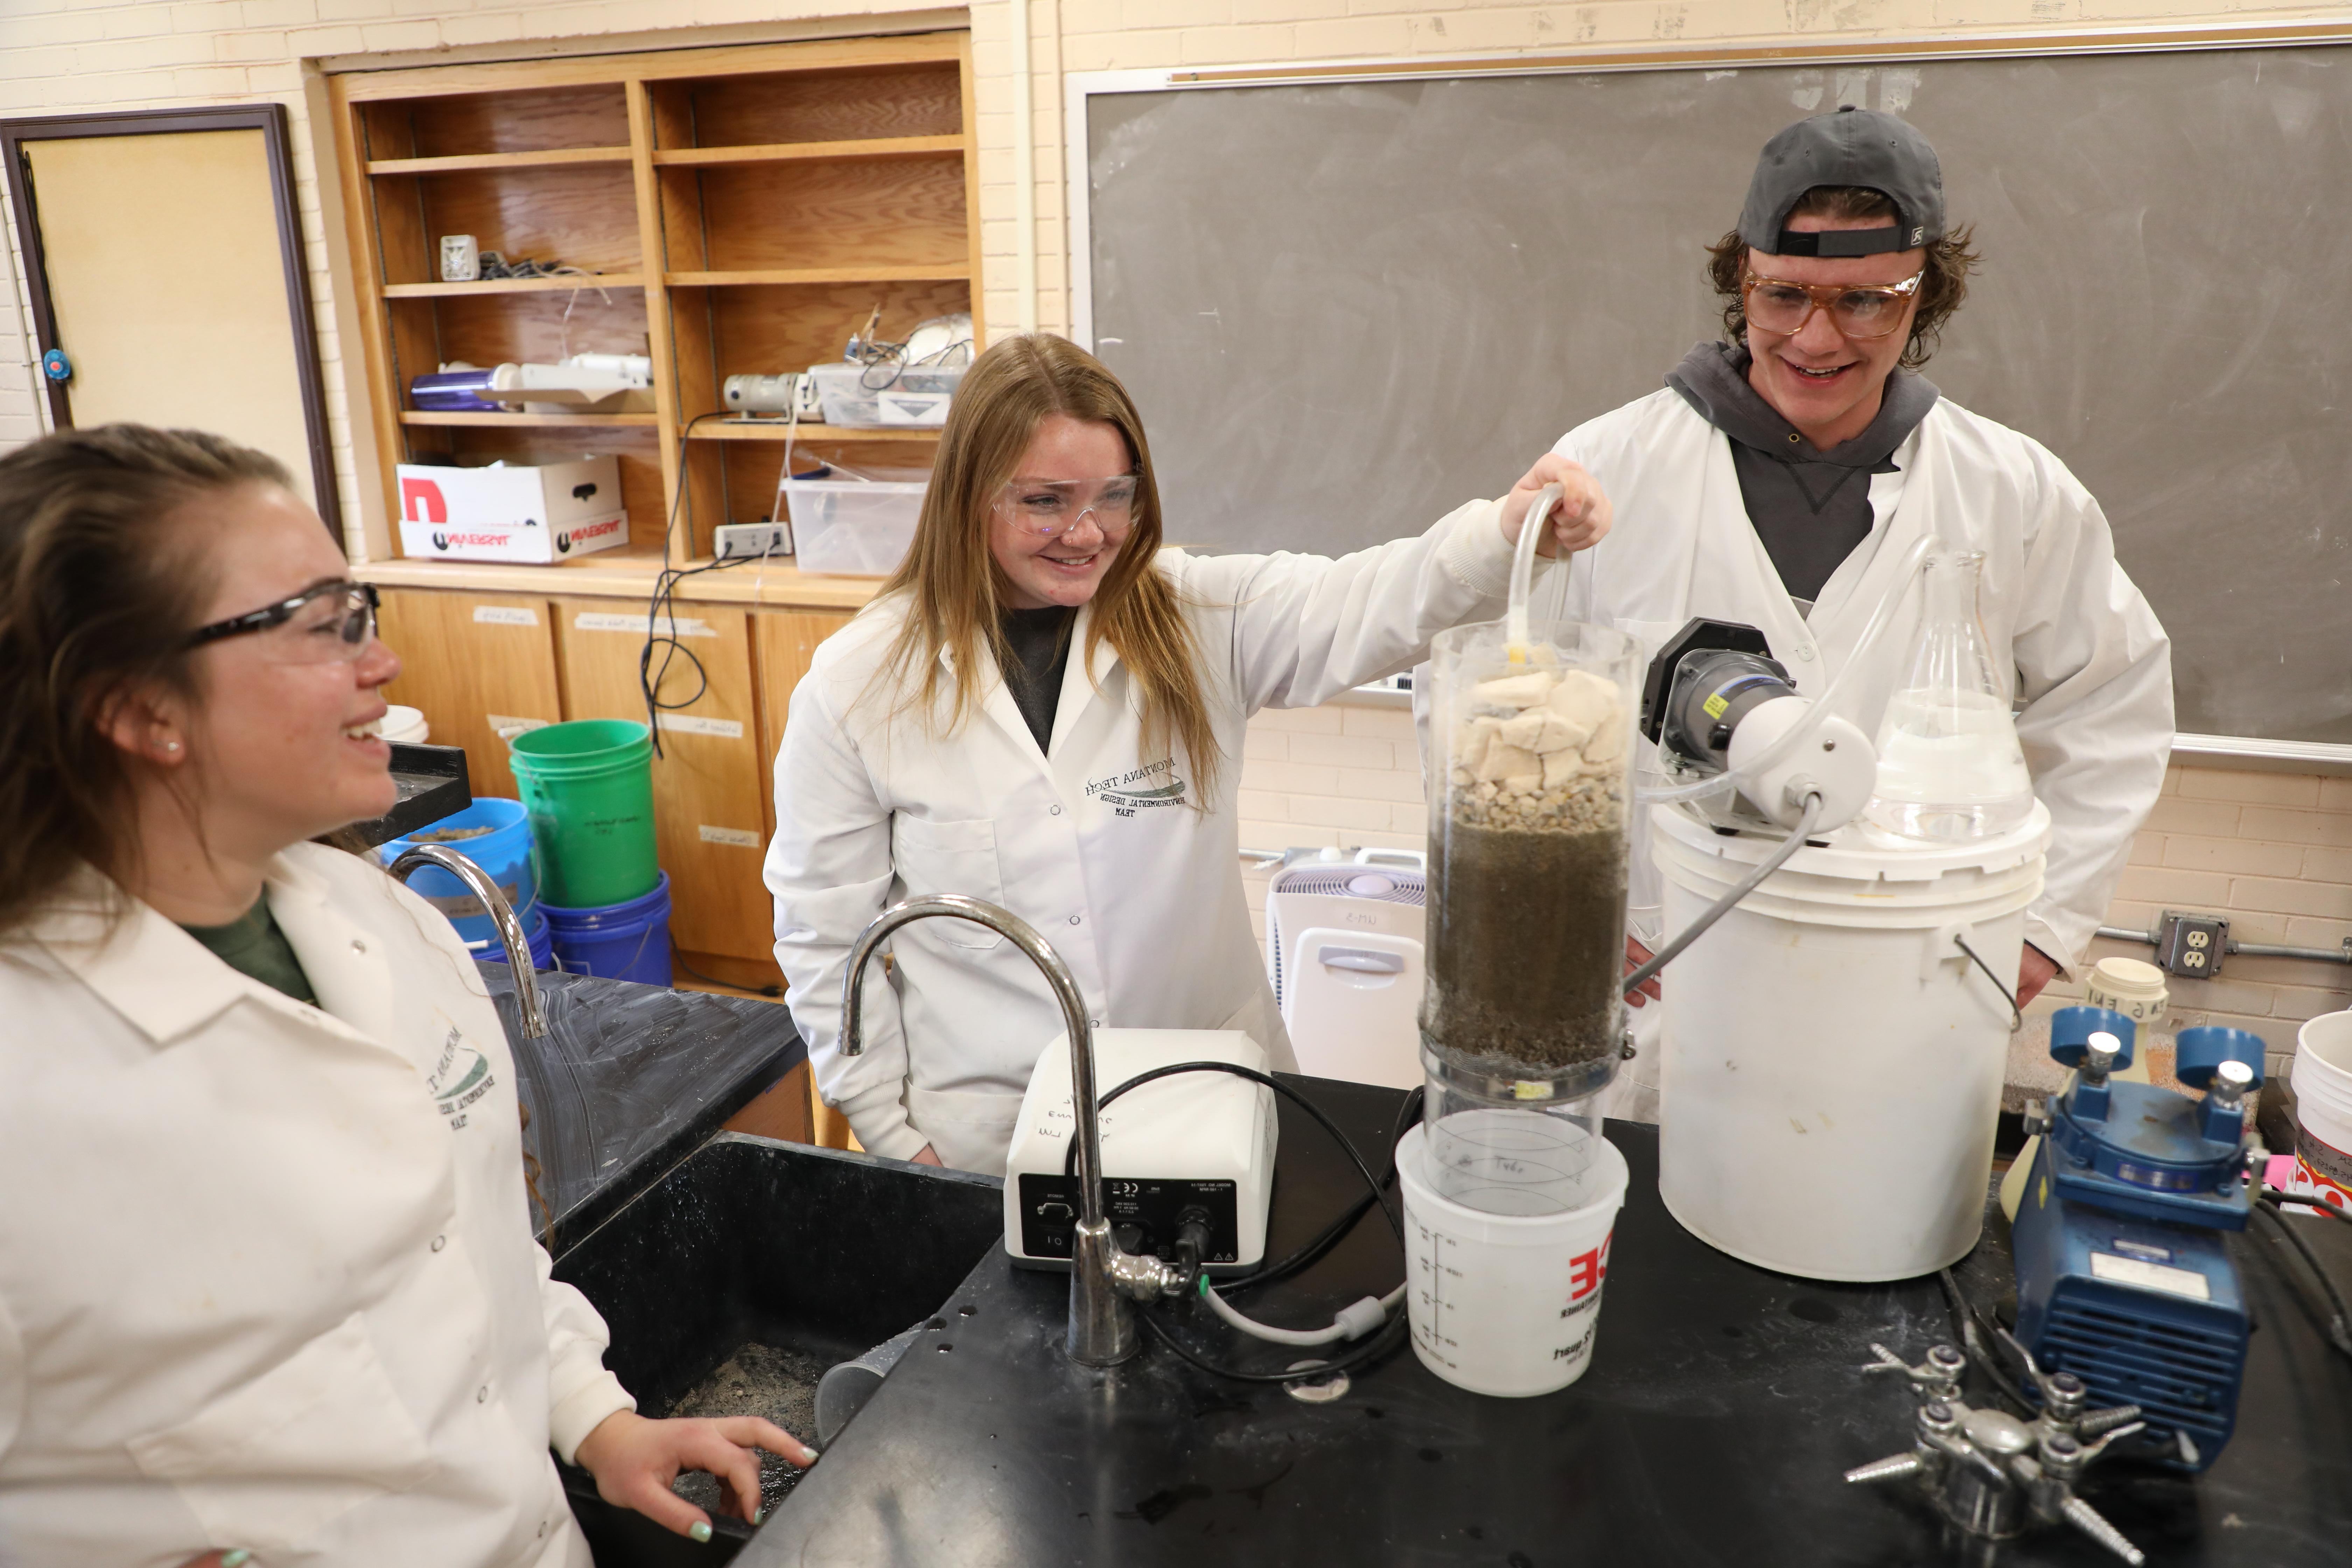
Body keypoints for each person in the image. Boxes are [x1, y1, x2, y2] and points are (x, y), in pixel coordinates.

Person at [0, 426, 813, 1567]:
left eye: (359, 609)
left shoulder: (379, 918)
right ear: (140, 711)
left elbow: (468, 1252)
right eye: (321, 625)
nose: (379, 661)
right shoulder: (28, 1079)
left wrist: (595, 1416)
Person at [766, 335, 1611, 1172]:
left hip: (1216, 1105)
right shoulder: (858, 686)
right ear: (968, 496)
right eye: (1046, 501)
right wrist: (894, 1131)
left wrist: (1507, 535)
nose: (1088, 532)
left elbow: (1368, 598)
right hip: (990, 1140)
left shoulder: (1199, 615)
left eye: (1115, 495)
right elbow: (826, 937)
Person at [1519, 107, 2171, 1120]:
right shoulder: (1609, 473)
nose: (1815, 339)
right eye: (1785, 294)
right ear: (1744, 280)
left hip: (1902, 1003)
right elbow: (1506, 714)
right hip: (1652, 989)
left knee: (1867, 1249)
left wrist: (2040, 929)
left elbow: (2112, 707)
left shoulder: (2014, 494)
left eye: (1866, 301)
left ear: (1925, 299)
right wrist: (1580, 916)